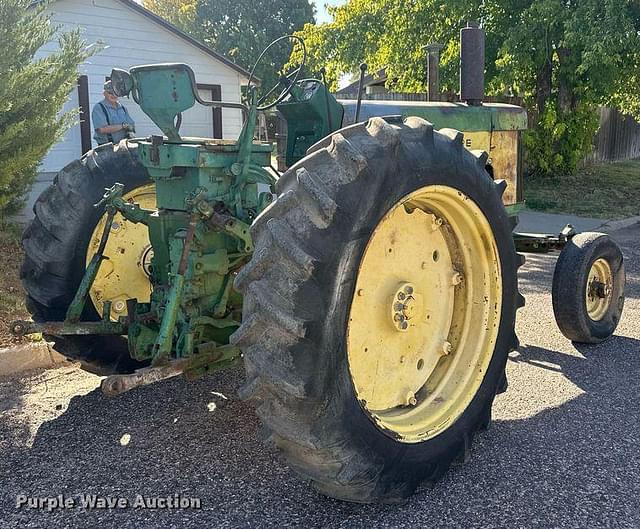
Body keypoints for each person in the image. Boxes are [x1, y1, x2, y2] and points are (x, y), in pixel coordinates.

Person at [91, 80, 136, 145]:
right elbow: (102, 129)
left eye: (115, 92)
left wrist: (130, 129)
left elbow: (131, 125)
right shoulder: (99, 108)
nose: (113, 95)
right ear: (104, 93)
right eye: (110, 93)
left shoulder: (123, 108)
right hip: (106, 147)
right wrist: (123, 126)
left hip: (123, 146)